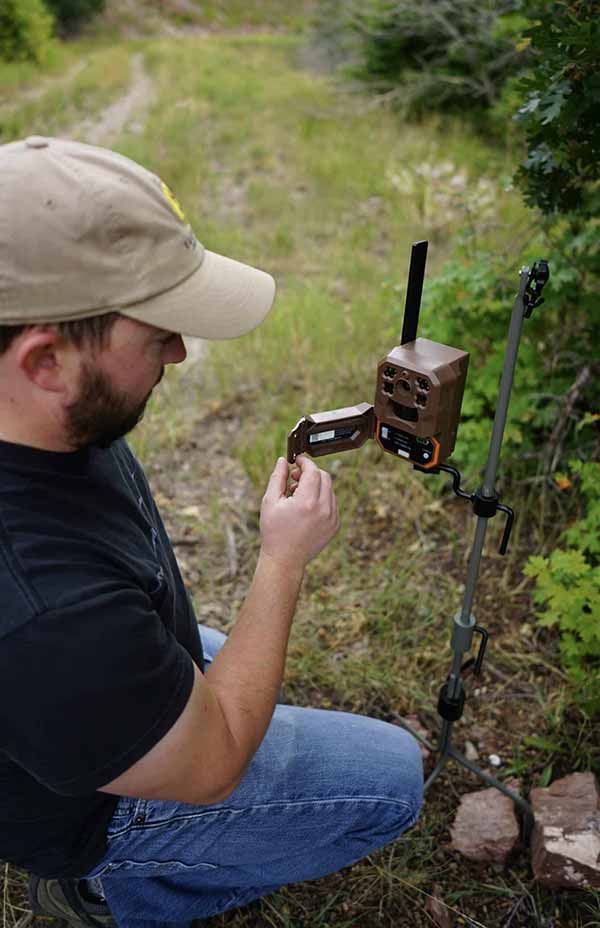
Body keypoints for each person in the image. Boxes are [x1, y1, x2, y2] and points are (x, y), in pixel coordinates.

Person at [0, 136, 423, 928]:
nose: (183, 351)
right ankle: (111, 891)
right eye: (157, 331)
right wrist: (282, 559)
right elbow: (215, 764)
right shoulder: (43, 611)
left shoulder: (38, 413)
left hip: (76, 689)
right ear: (46, 361)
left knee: (244, 679)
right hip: (85, 809)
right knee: (392, 781)